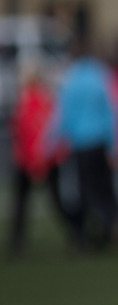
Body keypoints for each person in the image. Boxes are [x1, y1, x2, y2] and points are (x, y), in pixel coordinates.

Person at [55, 42, 118, 250]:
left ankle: (89, 233)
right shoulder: (102, 75)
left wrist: (51, 142)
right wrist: (116, 144)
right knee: (106, 188)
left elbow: (63, 116)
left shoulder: (71, 78)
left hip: (80, 144)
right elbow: (113, 112)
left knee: (85, 190)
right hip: (101, 142)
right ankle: (112, 225)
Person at [7, 65, 67, 255]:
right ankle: (78, 234)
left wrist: (35, 161)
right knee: (51, 200)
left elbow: (33, 133)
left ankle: (17, 242)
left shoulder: (31, 101)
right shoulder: (44, 99)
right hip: (39, 159)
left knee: (25, 202)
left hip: (33, 161)